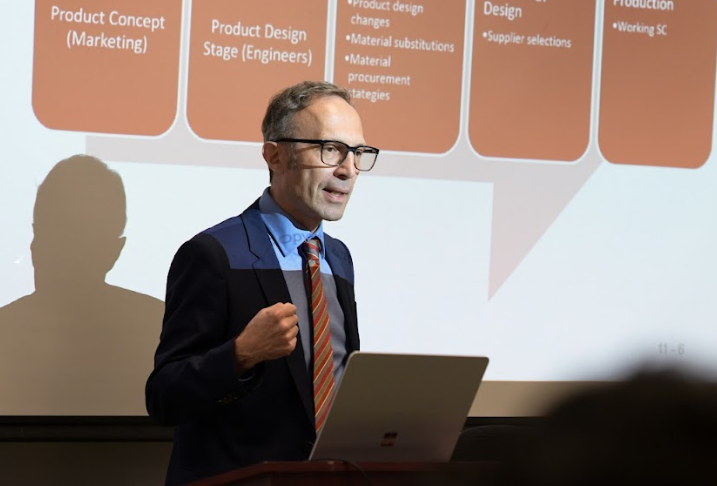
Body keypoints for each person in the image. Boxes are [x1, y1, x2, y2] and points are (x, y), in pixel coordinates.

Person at [146, 81, 379, 486]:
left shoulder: (338, 259)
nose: (348, 169)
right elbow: (164, 397)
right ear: (275, 156)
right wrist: (239, 355)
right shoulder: (214, 255)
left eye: (358, 153)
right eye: (330, 150)